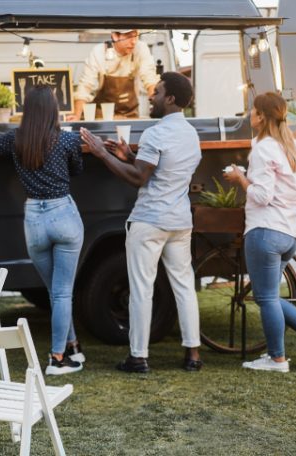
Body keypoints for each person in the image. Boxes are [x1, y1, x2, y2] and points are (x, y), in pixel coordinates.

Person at [80, 72, 202, 373]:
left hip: (150, 221)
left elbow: (139, 178)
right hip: (180, 221)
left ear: (170, 98)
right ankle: (193, 355)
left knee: (141, 289)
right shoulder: (191, 134)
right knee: (184, 286)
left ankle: (138, 357)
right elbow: (158, 170)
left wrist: (102, 154)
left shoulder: (156, 133)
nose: (152, 96)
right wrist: (129, 154)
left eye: (157, 92)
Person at [224, 92, 296, 373]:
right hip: (289, 233)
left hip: (265, 231)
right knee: (270, 296)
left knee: (266, 298)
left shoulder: (263, 148)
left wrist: (239, 177)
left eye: (252, 110)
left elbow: (261, 196)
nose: (249, 114)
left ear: (261, 116)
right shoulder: (295, 148)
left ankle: (278, 359)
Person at [0, 85, 85, 375]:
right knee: (62, 293)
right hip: (63, 215)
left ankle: (72, 346)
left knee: (56, 291)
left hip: (34, 221)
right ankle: (57, 358)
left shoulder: (16, 140)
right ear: (53, 110)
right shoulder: (66, 141)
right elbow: (78, 170)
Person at [69, 29, 158, 121]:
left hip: (130, 116)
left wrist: (158, 106)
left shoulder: (140, 48)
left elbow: (150, 78)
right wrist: (76, 116)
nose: (134, 41)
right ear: (115, 36)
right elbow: (86, 85)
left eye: (136, 36)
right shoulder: (99, 51)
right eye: (129, 37)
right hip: (102, 117)